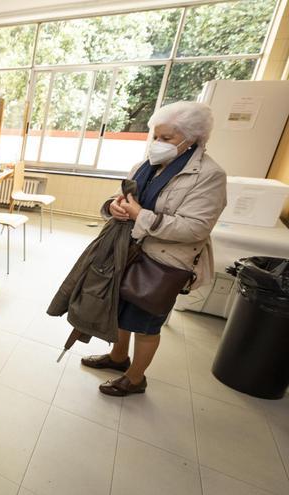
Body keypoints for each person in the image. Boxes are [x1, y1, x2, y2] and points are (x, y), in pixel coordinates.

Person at [82, 101, 227, 396]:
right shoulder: (145, 166)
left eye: (167, 138)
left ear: (192, 139)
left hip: (164, 262)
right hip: (129, 251)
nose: (157, 144)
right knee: (121, 310)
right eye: (156, 137)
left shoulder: (208, 176)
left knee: (146, 322)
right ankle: (119, 358)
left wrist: (140, 216)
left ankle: (136, 379)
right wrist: (115, 206)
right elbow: (125, 197)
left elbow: (195, 228)